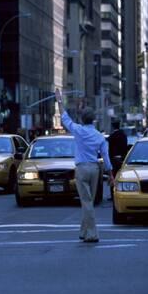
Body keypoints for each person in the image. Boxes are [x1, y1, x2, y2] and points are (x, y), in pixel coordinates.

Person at [55, 88, 113, 243]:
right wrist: (111, 175)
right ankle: (83, 231)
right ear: (93, 120)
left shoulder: (78, 130)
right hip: (95, 169)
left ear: (82, 119)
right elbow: (106, 156)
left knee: (86, 202)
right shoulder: (99, 136)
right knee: (89, 202)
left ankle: (92, 234)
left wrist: (59, 100)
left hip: (82, 169)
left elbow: (65, 118)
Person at [107, 121, 128, 200]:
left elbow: (109, 147)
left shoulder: (112, 136)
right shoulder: (123, 135)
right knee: (121, 177)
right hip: (122, 159)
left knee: (113, 176)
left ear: (113, 127)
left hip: (114, 159)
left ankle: (113, 195)